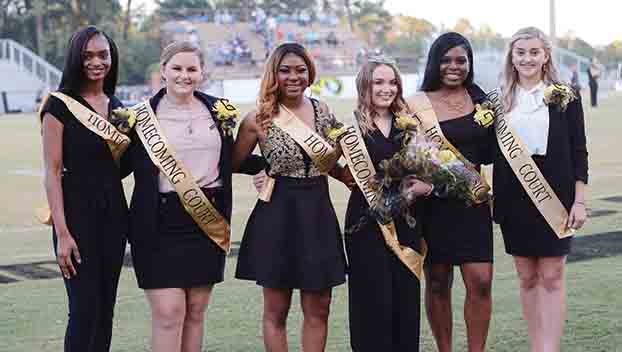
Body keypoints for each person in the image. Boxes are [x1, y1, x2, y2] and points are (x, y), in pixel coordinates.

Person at [122, 41, 264, 352]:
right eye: (177, 68)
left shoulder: (219, 111)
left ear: (201, 73)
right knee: (169, 313)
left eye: (191, 69)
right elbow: (116, 168)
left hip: (206, 221)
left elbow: (230, 159)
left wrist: (267, 166)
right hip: (157, 223)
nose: (184, 75)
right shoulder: (139, 117)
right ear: (163, 71)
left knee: (196, 313)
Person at [233, 43, 348, 352]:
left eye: (300, 69)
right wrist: (264, 168)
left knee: (319, 306)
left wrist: (354, 179)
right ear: (274, 74)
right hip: (278, 214)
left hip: (318, 211)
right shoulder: (258, 118)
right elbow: (234, 162)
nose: (293, 76)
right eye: (285, 70)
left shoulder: (323, 110)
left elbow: (328, 161)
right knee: (277, 309)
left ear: (309, 71)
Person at [495, 27, 588, 352]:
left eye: (534, 52)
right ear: (512, 56)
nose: (527, 58)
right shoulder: (499, 99)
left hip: (556, 196)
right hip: (514, 197)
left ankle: (549, 348)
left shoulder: (566, 95)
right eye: (520, 52)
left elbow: (579, 150)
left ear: (546, 55)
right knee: (526, 275)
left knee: (552, 275)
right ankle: (537, 345)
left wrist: (580, 200)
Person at [40, 26, 127, 352]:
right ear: (76, 58)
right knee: (83, 310)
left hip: (115, 215)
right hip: (76, 215)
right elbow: (51, 171)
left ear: (112, 57)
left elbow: (130, 165)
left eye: (103, 55)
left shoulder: (119, 108)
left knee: (105, 309)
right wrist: (62, 233)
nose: (96, 62)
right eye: (88, 55)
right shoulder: (59, 105)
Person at [406, 32, 494, 352]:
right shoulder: (417, 104)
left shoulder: (482, 101)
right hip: (433, 203)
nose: (453, 66)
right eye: (446, 60)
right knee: (439, 282)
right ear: (434, 63)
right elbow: (407, 153)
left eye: (461, 60)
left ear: (470, 64)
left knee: (481, 281)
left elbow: (492, 152)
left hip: (472, 201)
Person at [344, 57, 432, 351]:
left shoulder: (409, 124)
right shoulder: (350, 127)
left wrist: (427, 186)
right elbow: (324, 163)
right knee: (371, 299)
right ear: (364, 85)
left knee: (405, 297)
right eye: (378, 82)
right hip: (365, 221)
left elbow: (432, 167)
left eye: (392, 82)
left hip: (405, 217)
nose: (387, 88)